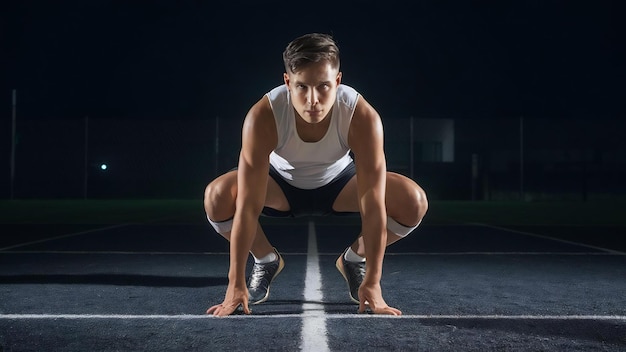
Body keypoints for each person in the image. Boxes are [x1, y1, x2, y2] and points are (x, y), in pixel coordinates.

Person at [204, 33, 428, 317]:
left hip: (339, 184)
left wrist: (373, 281)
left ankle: (354, 258)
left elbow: (372, 206)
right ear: (287, 82)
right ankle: (265, 259)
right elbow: (248, 208)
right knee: (217, 196)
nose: (313, 100)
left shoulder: (362, 116)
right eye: (301, 87)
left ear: (337, 81)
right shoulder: (264, 115)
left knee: (414, 201)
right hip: (279, 185)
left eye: (323, 86)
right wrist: (235, 283)